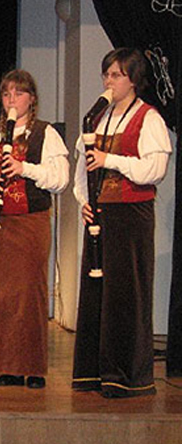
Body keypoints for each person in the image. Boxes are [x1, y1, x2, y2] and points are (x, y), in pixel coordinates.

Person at [72, 48, 172, 398]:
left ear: (133, 80)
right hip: (101, 216)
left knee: (126, 295)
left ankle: (126, 376)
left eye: (116, 74)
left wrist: (110, 159)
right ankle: (93, 373)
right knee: (97, 294)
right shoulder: (98, 118)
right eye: (106, 74)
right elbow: (82, 168)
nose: (108, 81)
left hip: (131, 215)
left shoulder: (149, 118)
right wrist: (84, 201)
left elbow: (154, 170)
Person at [0, 70, 69, 389]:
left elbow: (60, 178)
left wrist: (25, 169)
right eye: (7, 94)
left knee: (29, 294)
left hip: (30, 222)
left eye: (19, 94)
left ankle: (32, 367)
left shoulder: (45, 133)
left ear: (31, 99)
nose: (12, 100)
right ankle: (6, 366)